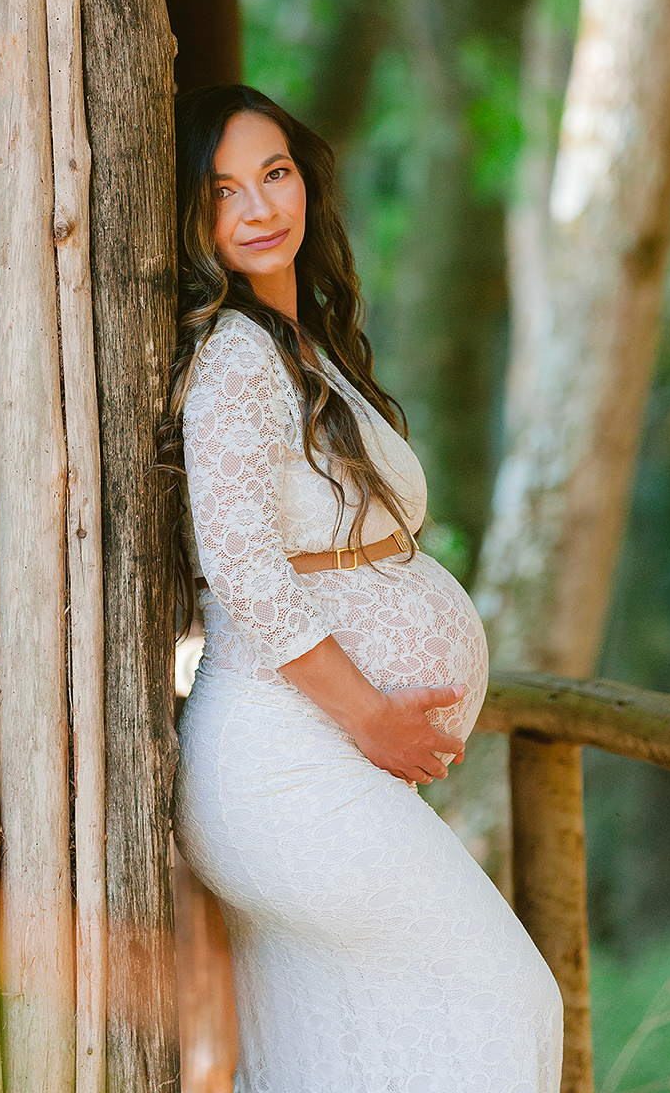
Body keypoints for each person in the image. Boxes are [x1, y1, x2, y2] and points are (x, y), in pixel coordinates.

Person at [163, 84, 563, 1093]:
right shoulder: (236, 358)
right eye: (224, 191)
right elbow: (244, 569)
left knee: (343, 1047)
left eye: (274, 174)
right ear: (193, 216)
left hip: (312, 755)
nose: (260, 208)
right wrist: (374, 720)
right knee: (507, 999)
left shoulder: (300, 344)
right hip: (282, 762)